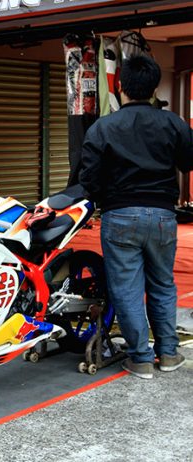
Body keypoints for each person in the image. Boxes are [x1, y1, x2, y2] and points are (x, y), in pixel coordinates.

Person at [79, 55, 193, 379]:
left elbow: (88, 179)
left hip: (119, 215)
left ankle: (141, 359)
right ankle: (168, 354)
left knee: (127, 289)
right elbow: (188, 162)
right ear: (155, 88)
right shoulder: (173, 123)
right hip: (162, 216)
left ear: (119, 86)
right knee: (163, 284)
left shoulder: (103, 127)